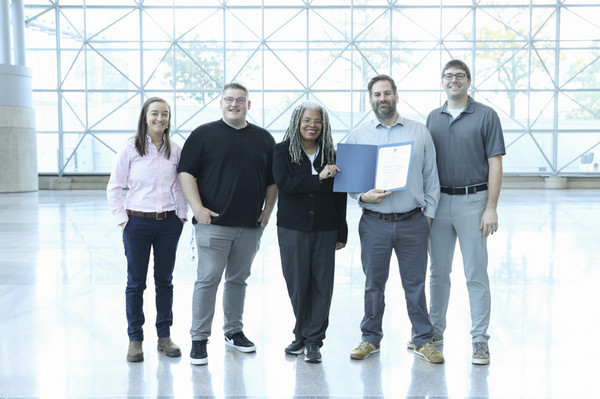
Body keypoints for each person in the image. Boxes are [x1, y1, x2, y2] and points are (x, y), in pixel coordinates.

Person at [177, 82, 277, 366]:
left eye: (240, 100)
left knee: (238, 280)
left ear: (249, 104)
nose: (234, 104)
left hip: (249, 226)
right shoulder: (203, 135)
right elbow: (186, 173)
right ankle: (199, 339)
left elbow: (272, 180)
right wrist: (198, 209)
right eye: (229, 99)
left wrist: (268, 211)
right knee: (208, 280)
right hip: (213, 224)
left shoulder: (263, 138)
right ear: (220, 103)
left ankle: (234, 332)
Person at [346, 74, 443, 364]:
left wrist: (428, 216)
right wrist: (364, 197)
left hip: (413, 222)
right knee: (373, 284)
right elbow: (351, 184)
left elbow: (431, 178)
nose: (382, 99)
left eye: (387, 93)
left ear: (396, 96)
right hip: (374, 222)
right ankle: (370, 339)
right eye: (377, 94)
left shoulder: (418, 132)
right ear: (370, 99)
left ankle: (422, 340)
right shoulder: (359, 135)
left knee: (415, 285)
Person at [425, 59, 505, 365]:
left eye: (460, 75)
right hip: (440, 203)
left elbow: (495, 163)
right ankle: (434, 332)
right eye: (448, 76)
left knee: (475, 274)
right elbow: (425, 164)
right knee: (438, 273)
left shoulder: (486, 116)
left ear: (469, 81)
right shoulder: (433, 118)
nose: (454, 80)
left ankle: (480, 340)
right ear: (442, 81)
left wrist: (491, 207)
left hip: (474, 203)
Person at [106, 97, 187, 362]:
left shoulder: (174, 149)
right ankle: (135, 340)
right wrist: (122, 221)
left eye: (165, 114)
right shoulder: (130, 148)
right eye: (155, 113)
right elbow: (114, 187)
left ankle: (164, 337)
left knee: (165, 281)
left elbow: (179, 185)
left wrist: (181, 216)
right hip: (137, 223)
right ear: (145, 117)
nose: (160, 118)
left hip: (168, 224)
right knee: (136, 283)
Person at [272, 101, 348, 363]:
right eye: (307, 120)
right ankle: (301, 333)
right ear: (297, 122)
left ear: (323, 125)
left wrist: (342, 231)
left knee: (322, 284)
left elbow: (340, 195)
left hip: (326, 228)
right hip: (292, 228)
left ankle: (313, 340)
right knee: (297, 283)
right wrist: (319, 178)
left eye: (317, 121)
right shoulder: (282, 151)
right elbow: (285, 184)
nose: (312, 125)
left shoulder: (331, 153)